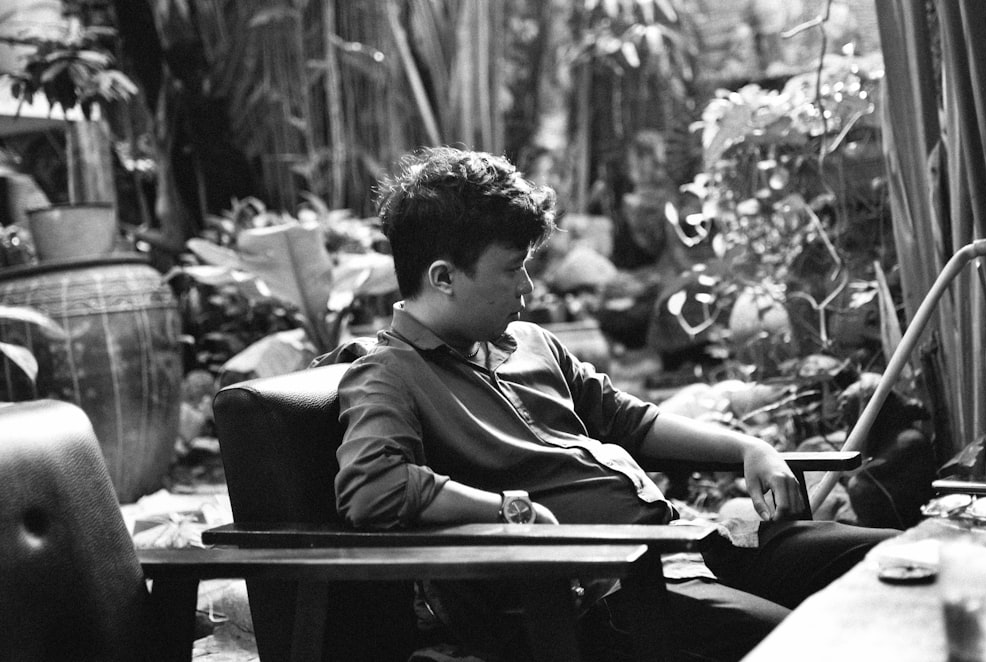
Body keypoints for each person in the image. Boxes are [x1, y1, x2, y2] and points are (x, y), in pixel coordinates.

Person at [330, 146, 896, 661]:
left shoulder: (529, 343)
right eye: (512, 269)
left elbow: (629, 419)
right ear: (443, 277)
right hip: (614, 595)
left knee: (899, 566)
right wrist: (507, 510)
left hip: (694, 541)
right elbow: (373, 487)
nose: (528, 288)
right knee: (818, 643)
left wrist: (749, 447)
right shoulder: (388, 374)